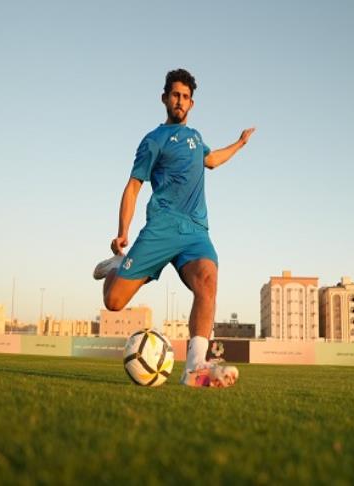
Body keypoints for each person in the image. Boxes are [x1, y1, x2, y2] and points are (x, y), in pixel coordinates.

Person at [93, 69, 255, 387]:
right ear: (165, 98)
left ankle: (195, 365)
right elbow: (133, 185)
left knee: (208, 282)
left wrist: (238, 144)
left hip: (195, 231)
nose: (180, 101)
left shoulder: (196, 138)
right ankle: (117, 266)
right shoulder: (153, 140)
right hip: (161, 228)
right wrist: (122, 231)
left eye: (185, 97)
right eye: (175, 95)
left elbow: (212, 161)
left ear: (191, 103)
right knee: (113, 302)